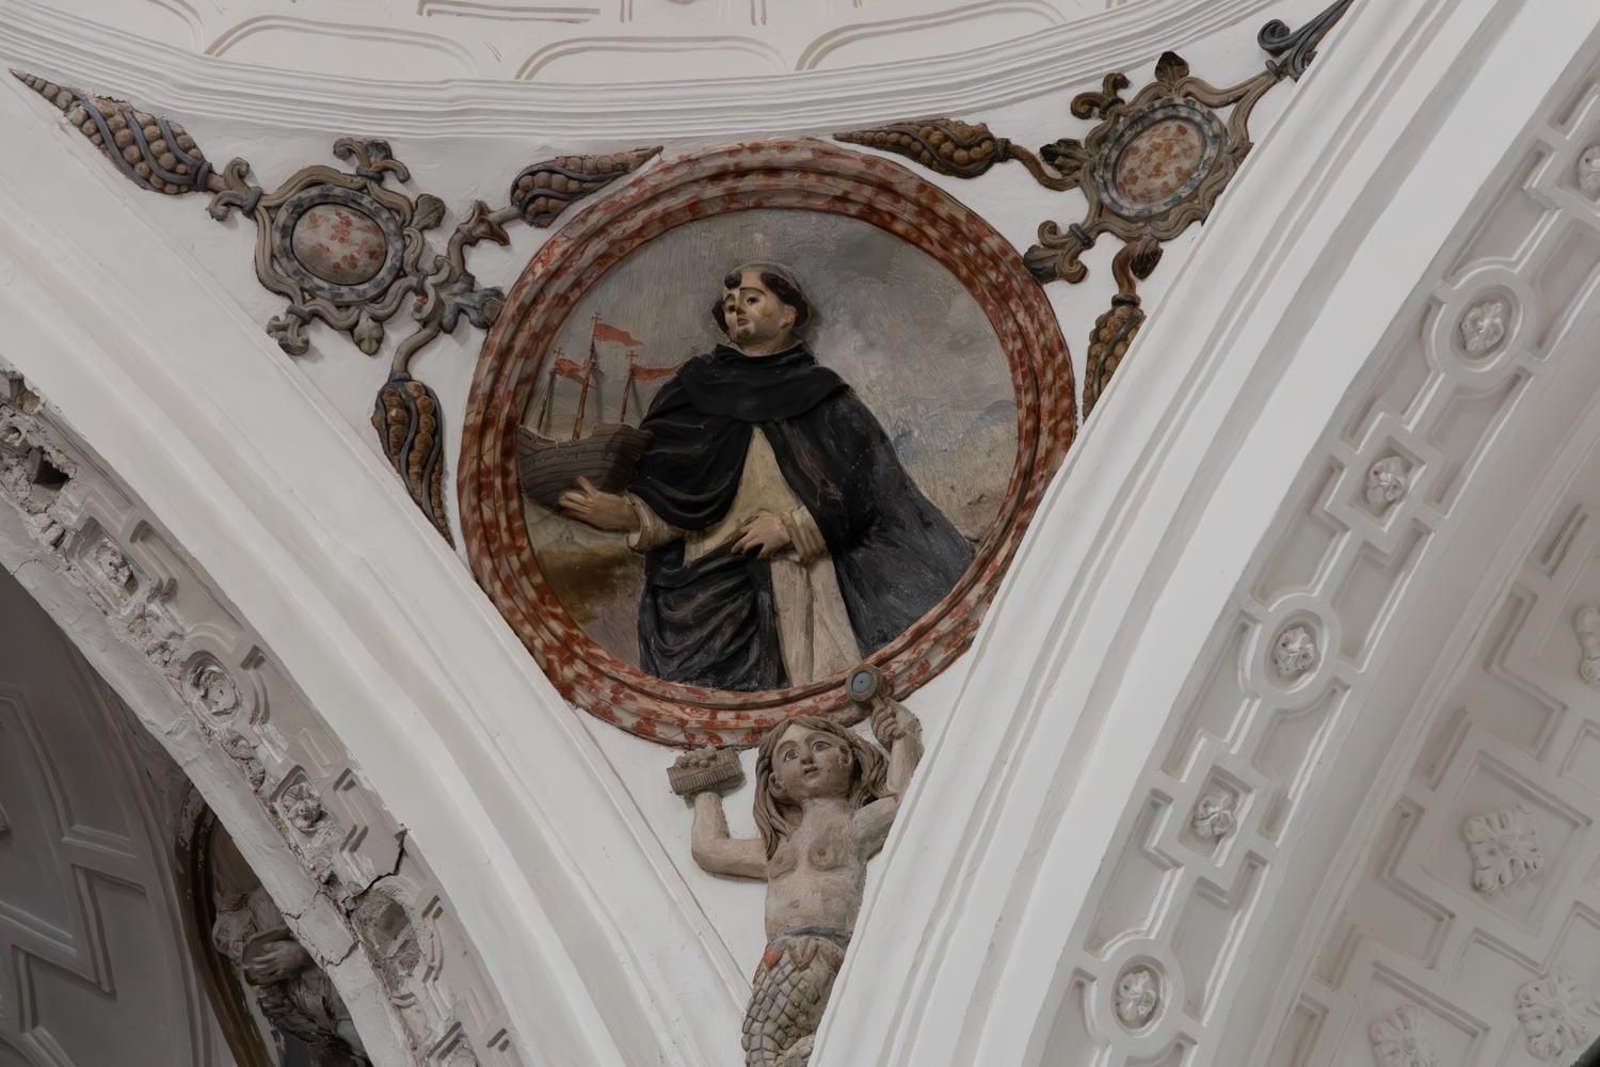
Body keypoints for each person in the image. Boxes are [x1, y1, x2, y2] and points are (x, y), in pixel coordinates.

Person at [557, 262, 973, 690]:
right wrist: (631, 516)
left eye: (752, 300)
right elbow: (671, 489)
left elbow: (870, 485)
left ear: (788, 313)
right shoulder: (693, 388)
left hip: (801, 578)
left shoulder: (821, 393)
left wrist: (794, 526)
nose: (737, 310)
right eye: (730, 304)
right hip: (706, 589)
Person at [671, 685, 921, 1066]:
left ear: (847, 757)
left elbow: (903, 801)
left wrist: (901, 738)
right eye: (790, 755)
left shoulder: (850, 828)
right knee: (760, 1042)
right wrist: (705, 789)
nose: (805, 758)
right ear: (776, 783)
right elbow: (709, 849)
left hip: (820, 950)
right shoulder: (779, 849)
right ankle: (810, 1051)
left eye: (818, 746)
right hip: (780, 956)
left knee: (763, 1041)